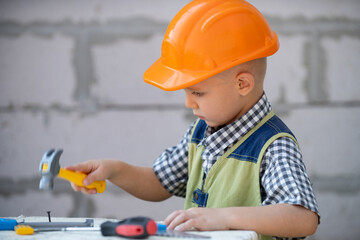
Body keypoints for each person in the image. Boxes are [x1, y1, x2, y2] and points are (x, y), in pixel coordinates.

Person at [67, 0, 320, 239]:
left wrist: (224, 217)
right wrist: (114, 170)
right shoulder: (200, 132)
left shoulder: (273, 145)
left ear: (242, 84)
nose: (189, 103)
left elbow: (302, 217)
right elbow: (159, 182)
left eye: (197, 92)